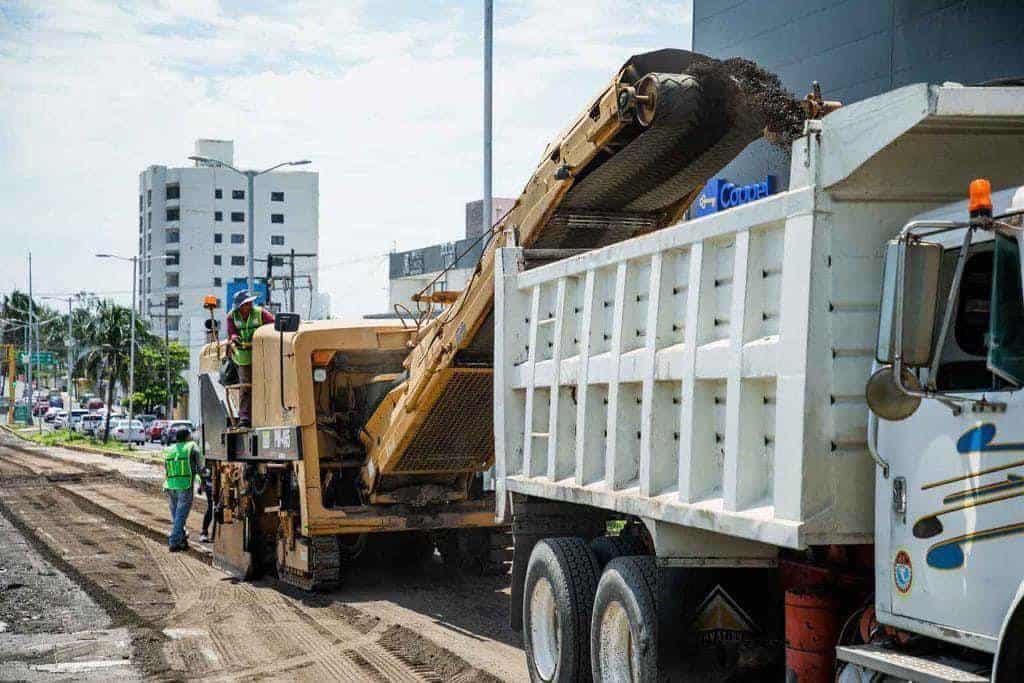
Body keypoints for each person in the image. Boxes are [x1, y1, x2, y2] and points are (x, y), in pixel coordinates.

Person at [226, 290, 274, 427]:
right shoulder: (231, 317)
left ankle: (268, 413)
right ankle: (244, 418)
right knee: (246, 386)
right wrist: (235, 339)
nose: (248, 306)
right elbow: (232, 333)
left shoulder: (261, 313)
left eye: (249, 303)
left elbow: (274, 324)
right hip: (243, 356)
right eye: (245, 304)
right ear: (239, 306)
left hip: (263, 353)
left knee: (266, 383)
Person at [163, 426, 200, 552]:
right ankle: (173, 541)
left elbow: (166, 469)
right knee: (180, 516)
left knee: (177, 516)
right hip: (184, 485)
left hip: (170, 485)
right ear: (187, 437)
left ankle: (182, 539)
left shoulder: (169, 449)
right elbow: (201, 467)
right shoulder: (192, 446)